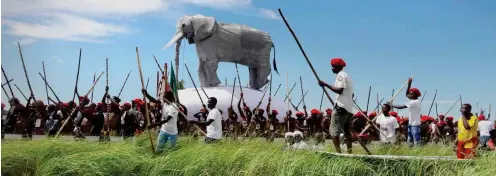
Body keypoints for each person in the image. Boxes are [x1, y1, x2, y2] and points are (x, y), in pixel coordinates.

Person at [318, 57, 354, 153]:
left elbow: (339, 90)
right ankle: (349, 153)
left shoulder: (340, 75)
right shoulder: (347, 76)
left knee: (334, 131)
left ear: (337, 67)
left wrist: (325, 84)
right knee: (347, 132)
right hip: (348, 108)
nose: (332, 69)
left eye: (333, 67)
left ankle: (339, 153)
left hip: (340, 108)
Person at [391, 78, 421, 147]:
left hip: (415, 125)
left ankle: (417, 153)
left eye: (411, 94)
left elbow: (400, 107)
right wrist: (409, 84)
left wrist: (391, 105)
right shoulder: (413, 100)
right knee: (409, 140)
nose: (409, 95)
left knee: (416, 141)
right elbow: (406, 94)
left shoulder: (414, 102)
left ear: (414, 95)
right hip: (411, 124)